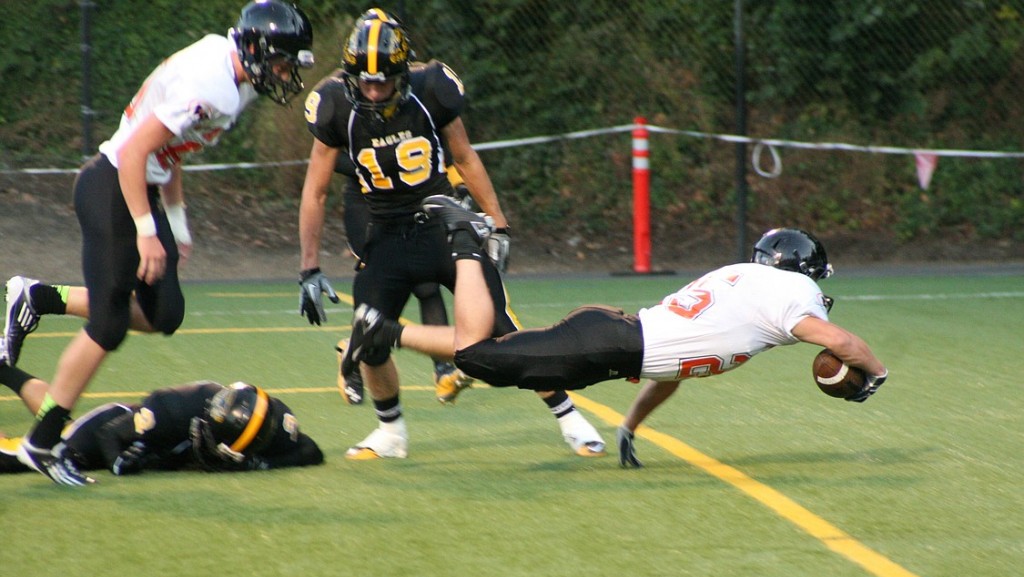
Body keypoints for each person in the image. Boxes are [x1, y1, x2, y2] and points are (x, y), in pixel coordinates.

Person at [2, 1, 315, 485]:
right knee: (108, 327)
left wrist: (176, 220)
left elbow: (173, 151)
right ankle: (41, 443)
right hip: (112, 184)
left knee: (163, 313)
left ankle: (41, 297)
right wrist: (148, 231)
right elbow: (133, 153)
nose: (283, 73)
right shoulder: (211, 83)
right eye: (281, 62)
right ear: (254, 50)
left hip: (138, 185)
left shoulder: (231, 75)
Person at [343, 206, 889, 467]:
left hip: (617, 343)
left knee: (490, 356)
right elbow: (838, 340)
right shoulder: (790, 289)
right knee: (477, 354)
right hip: (610, 343)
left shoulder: (748, 282)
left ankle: (385, 328)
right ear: (799, 267)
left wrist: (629, 425)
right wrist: (877, 375)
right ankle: (463, 239)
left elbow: (670, 370)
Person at [297, 8, 604, 460]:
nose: (374, 89)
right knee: (368, 333)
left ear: (403, 74)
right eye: (365, 80)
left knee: (499, 329)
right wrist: (308, 268)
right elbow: (315, 192)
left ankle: (569, 418)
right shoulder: (334, 104)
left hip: (444, 224)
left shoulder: (431, 90)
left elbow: (464, 157)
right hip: (385, 232)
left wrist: (497, 223)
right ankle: (391, 432)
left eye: (383, 80)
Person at [334, 156, 471, 406]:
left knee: (427, 284)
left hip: (412, 196)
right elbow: (330, 156)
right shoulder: (348, 117)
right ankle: (353, 352)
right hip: (369, 203)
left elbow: (444, 146)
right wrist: (385, 164)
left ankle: (443, 369)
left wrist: (459, 184)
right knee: (381, 302)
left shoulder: (414, 116)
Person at [0, 373, 323, 477]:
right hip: (115, 424)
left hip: (147, 437)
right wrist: (120, 462)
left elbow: (311, 450)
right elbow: (109, 435)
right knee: (38, 457)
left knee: (58, 424)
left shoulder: (265, 417)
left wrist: (262, 461)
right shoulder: (170, 412)